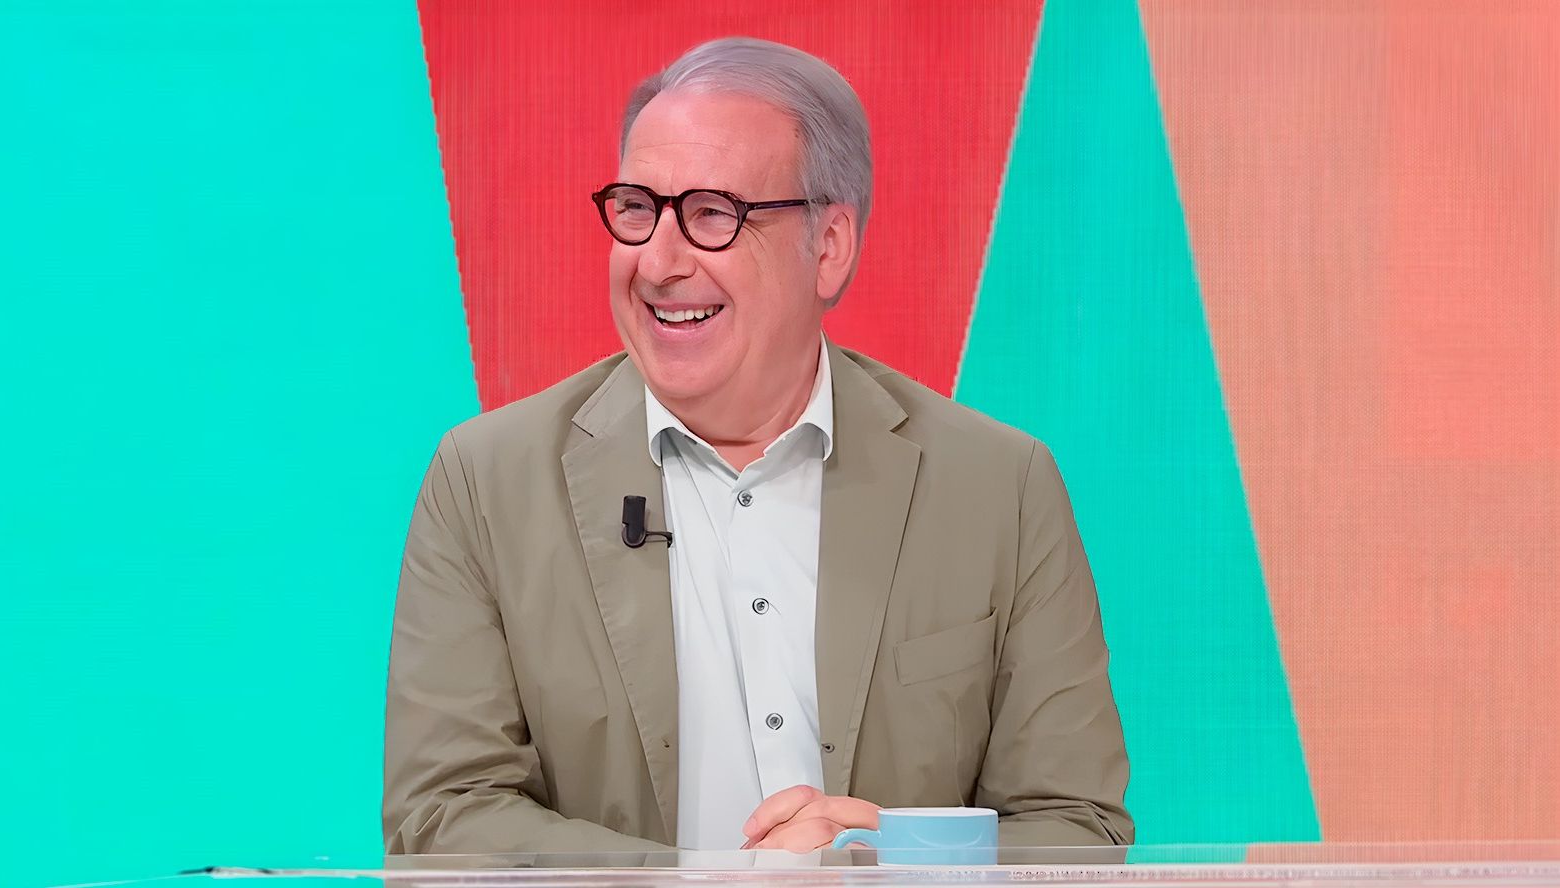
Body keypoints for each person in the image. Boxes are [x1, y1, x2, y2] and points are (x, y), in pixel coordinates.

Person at [383, 36, 1132, 855]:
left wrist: (891, 860)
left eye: (712, 213)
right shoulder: (486, 482)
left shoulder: (997, 486)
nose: (658, 262)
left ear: (829, 246)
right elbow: (442, 816)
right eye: (636, 208)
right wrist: (703, 882)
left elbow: (1076, 827)